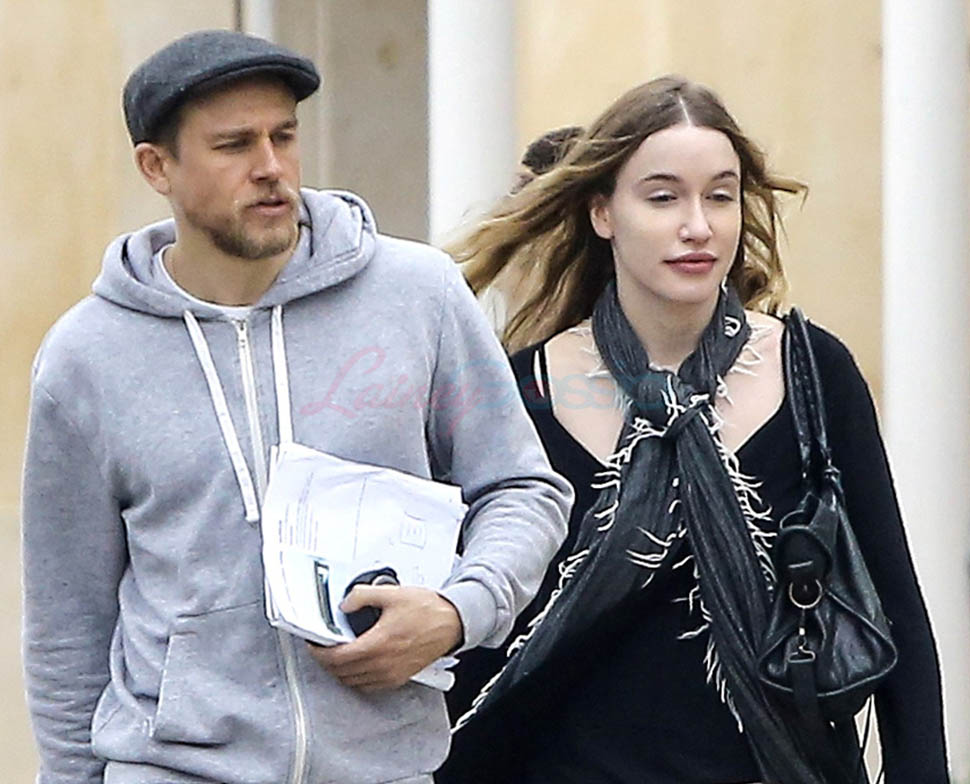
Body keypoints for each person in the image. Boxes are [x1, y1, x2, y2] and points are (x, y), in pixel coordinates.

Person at [21, 29, 571, 784]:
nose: (271, 167)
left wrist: (457, 612)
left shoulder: (419, 297)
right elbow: (66, 629)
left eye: (283, 136)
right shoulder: (86, 357)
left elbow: (523, 489)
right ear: (157, 167)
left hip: (382, 766)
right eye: (234, 145)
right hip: (170, 768)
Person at [439, 76, 948, 783]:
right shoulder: (522, 392)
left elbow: (898, 615)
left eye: (720, 196)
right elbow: (482, 638)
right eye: (663, 197)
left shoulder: (811, 372)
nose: (698, 226)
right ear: (602, 213)